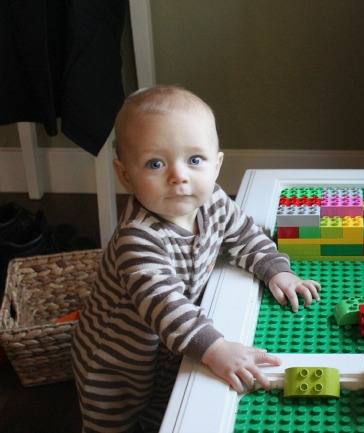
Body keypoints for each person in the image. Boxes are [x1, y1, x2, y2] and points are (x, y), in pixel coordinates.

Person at [71, 85, 321, 432]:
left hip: (167, 345)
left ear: (216, 165)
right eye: (155, 164)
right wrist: (216, 348)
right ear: (126, 175)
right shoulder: (137, 239)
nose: (179, 176)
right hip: (116, 362)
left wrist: (275, 270)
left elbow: (244, 235)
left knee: (163, 406)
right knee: (115, 423)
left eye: (194, 160)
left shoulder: (213, 201)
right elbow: (165, 305)